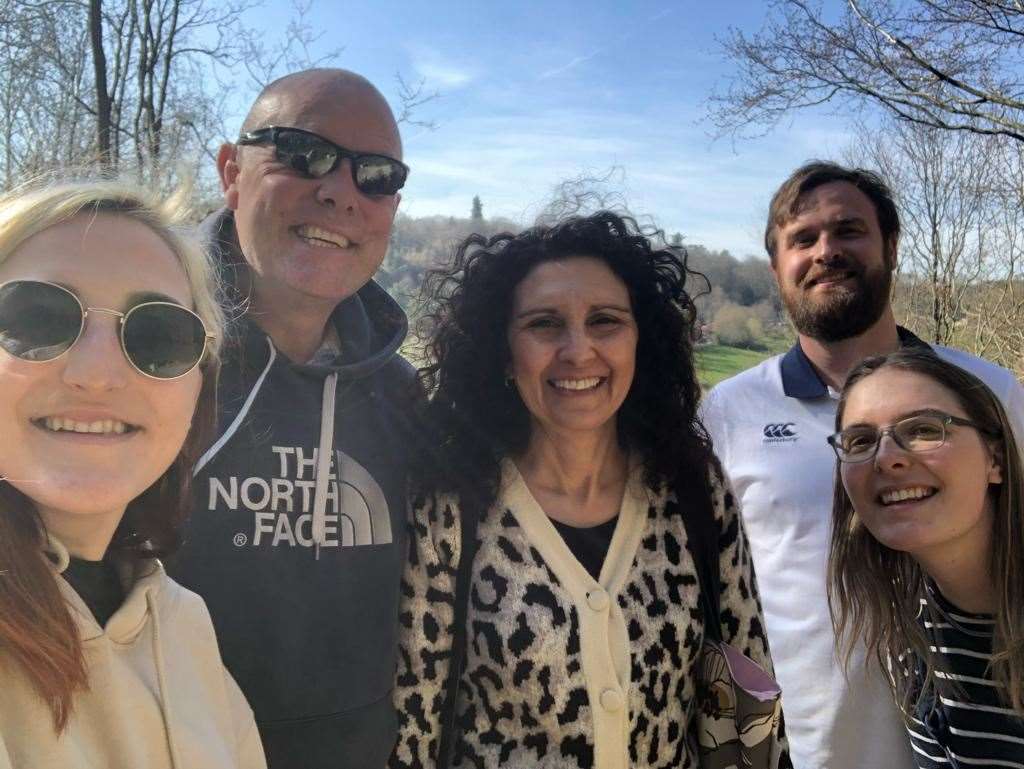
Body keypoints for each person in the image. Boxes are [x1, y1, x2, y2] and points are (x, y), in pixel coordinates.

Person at [390, 212, 788, 768]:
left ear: (639, 342)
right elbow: (415, 724)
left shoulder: (694, 488)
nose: (579, 351)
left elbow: (751, 697)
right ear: (504, 353)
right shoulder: (452, 500)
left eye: (605, 321)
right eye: (544, 324)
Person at [699, 161, 1024, 769]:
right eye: (802, 239)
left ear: (892, 247)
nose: (827, 251)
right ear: (777, 268)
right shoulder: (729, 412)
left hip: (989, 733)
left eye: (849, 230)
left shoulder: (988, 391)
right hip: (813, 750)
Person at [167, 68, 417, 769]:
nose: (340, 191)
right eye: (302, 153)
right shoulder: (140, 354)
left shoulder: (401, 397)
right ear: (230, 171)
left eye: (377, 174)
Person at [0, 178, 265, 769]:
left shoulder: (179, 622)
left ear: (200, 386)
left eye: (159, 336)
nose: (98, 374)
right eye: (34, 318)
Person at [828, 349, 1024, 768]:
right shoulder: (909, 626)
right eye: (861, 441)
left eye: (923, 429)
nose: (886, 458)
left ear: (996, 459)